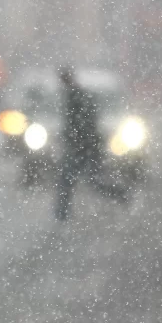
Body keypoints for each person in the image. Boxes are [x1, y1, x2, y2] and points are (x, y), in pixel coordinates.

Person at [54, 67, 121, 221]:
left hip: (84, 148)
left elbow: (83, 124)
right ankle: (61, 215)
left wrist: (75, 139)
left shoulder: (76, 96)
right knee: (86, 181)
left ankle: (61, 216)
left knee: (78, 181)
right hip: (84, 148)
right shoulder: (74, 95)